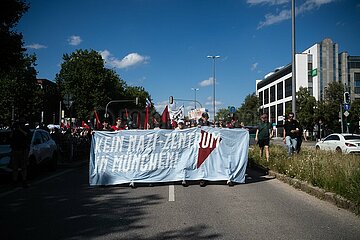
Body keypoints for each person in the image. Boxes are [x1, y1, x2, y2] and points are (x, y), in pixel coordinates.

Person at [10, 119, 30, 188]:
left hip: (23, 150)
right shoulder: (14, 131)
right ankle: (15, 181)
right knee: (15, 167)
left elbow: (27, 135)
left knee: (23, 167)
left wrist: (20, 130)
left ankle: (24, 181)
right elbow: (10, 138)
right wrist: (13, 130)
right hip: (15, 150)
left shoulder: (25, 129)